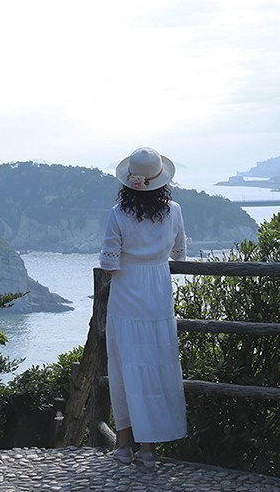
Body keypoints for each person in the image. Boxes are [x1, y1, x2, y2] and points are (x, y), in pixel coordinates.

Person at [99, 147, 188, 467]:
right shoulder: (175, 210)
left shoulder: (117, 213)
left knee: (125, 369)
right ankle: (148, 449)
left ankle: (123, 446)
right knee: (155, 367)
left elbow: (109, 262)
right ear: (161, 181)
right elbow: (179, 253)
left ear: (129, 182)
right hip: (158, 297)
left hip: (126, 296)